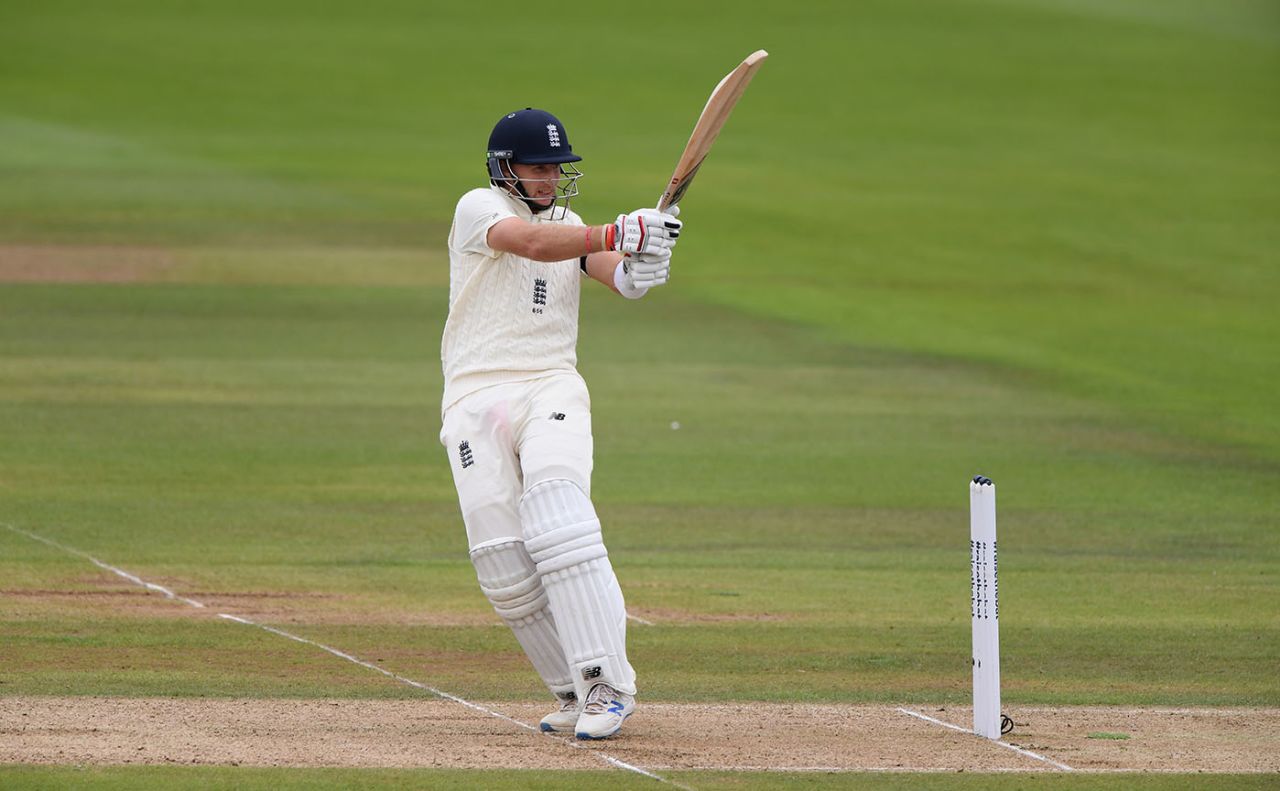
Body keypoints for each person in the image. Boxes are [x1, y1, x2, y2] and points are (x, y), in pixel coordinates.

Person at [440, 108, 682, 740]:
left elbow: (614, 275)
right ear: (504, 168)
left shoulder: (571, 224)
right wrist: (617, 232)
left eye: (556, 167)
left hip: (550, 384)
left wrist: (640, 264)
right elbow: (529, 243)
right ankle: (572, 689)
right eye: (537, 167)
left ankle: (609, 686)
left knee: (559, 518)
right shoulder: (478, 207)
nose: (549, 179)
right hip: (473, 395)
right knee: (501, 562)